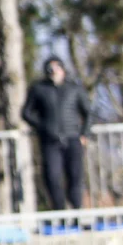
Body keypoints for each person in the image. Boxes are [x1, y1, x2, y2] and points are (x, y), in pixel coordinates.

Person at [22, 57, 93, 210]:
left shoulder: (74, 88)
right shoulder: (39, 89)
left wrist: (84, 134)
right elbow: (26, 112)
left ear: (63, 69)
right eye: (50, 69)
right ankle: (59, 212)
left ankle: (76, 213)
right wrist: (43, 126)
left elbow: (88, 113)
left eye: (57, 68)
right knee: (52, 177)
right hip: (50, 141)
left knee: (75, 177)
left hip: (73, 138)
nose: (53, 71)